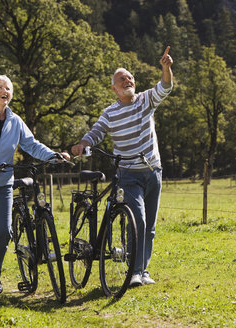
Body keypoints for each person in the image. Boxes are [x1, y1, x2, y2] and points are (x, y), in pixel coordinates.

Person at [0, 75, 70, 297]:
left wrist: (53, 156)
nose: (5, 91)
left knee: (3, 231)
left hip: (3, 184)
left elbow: (31, 145)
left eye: (8, 88)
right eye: (0, 87)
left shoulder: (16, 121)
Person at [71, 46, 173, 286]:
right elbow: (97, 132)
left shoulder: (146, 100)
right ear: (114, 88)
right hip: (127, 174)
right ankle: (134, 272)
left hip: (153, 171)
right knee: (138, 219)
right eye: (121, 79)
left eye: (130, 78)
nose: (127, 80)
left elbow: (165, 87)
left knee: (150, 225)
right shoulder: (110, 112)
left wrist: (166, 69)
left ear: (134, 84)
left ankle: (142, 270)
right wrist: (84, 142)